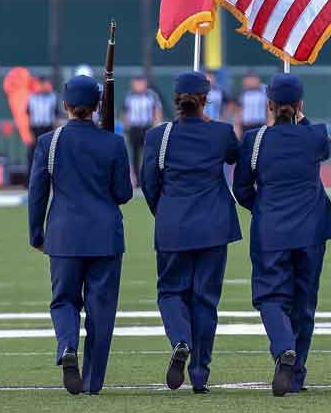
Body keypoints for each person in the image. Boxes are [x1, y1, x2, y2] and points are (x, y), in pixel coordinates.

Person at [27, 75, 133, 395]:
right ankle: (92, 382)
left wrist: (36, 234)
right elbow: (124, 193)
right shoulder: (113, 142)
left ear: (65, 106)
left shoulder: (49, 142)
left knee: (64, 302)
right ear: (97, 106)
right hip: (105, 237)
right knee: (101, 312)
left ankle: (67, 346)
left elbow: (37, 193)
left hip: (63, 235)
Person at [232, 73, 331, 396]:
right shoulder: (315, 135)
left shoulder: (255, 140)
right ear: (300, 105)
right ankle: (296, 375)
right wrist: (301, 117)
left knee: (270, 297)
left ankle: (283, 347)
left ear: (270, 106)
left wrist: (262, 208)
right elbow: (325, 147)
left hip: (271, 231)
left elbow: (241, 189)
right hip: (311, 230)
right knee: (304, 304)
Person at [140, 71, 241, 393]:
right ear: (206, 99)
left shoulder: (158, 136)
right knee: (205, 300)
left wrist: (164, 210)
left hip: (173, 224)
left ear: (175, 101)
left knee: (170, 292)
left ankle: (180, 339)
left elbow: (148, 183)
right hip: (213, 226)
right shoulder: (221, 133)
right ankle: (200, 374)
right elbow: (234, 155)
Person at [123, 75, 163, 187]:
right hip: (134, 128)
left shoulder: (152, 95)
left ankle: (149, 178)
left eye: (141, 83)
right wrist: (126, 129)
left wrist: (157, 126)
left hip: (147, 128)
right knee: (135, 155)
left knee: (148, 155)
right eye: (137, 83)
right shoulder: (129, 96)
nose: (139, 85)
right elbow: (126, 113)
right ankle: (137, 181)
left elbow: (157, 111)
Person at [26, 77, 58, 172]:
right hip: (35, 129)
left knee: (49, 154)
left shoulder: (53, 97)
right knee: (32, 154)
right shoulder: (32, 98)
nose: (42, 86)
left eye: (44, 84)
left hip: (48, 128)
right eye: (41, 84)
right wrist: (30, 132)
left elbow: (56, 115)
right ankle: (29, 178)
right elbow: (28, 114)